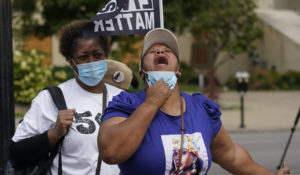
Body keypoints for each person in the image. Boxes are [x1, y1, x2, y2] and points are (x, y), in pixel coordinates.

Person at [98, 28, 291, 175]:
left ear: (179, 70)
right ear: (142, 72)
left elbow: (231, 155)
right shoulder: (126, 104)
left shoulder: (202, 108)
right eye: (152, 52)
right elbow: (111, 152)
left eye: (167, 50)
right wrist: (151, 104)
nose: (160, 52)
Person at [9, 20, 125, 175]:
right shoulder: (51, 99)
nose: (91, 62)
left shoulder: (122, 99)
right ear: (71, 62)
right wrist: (54, 133)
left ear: (106, 57)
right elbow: (16, 153)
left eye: (97, 55)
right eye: (83, 57)